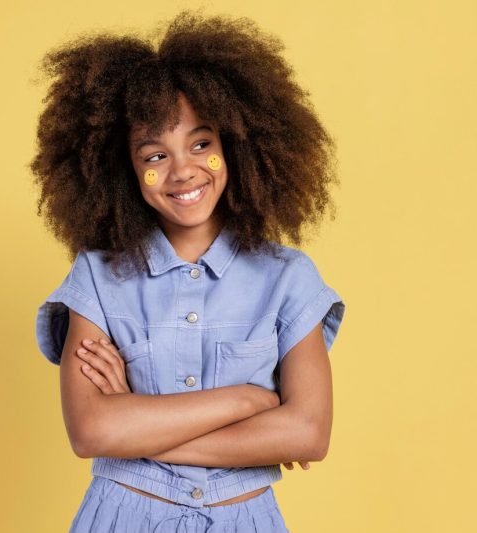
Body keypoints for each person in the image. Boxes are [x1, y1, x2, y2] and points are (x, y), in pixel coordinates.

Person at [31, 10, 345, 533]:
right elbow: (90, 431)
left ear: (235, 144)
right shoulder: (95, 278)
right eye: (155, 154)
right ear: (122, 168)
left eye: (201, 144)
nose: (182, 170)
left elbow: (309, 434)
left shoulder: (289, 278)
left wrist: (136, 422)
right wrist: (250, 402)